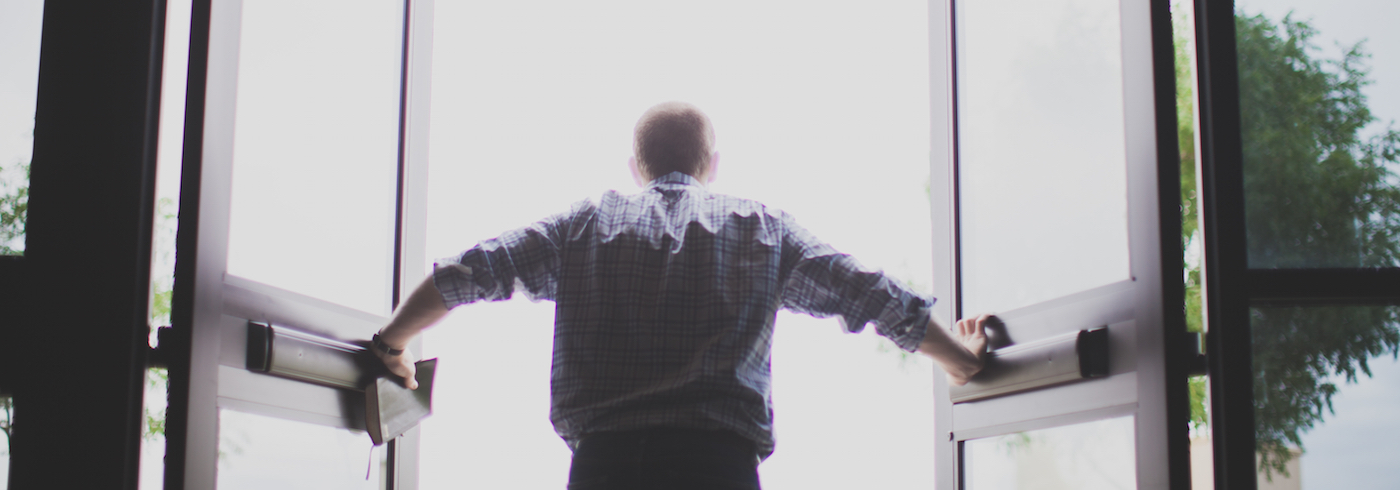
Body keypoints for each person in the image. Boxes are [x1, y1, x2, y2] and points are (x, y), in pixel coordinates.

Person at [370, 101, 990, 490]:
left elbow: (467, 272)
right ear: (711, 164)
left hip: (603, 469)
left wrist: (392, 343)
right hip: (717, 470)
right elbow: (869, 293)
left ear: (635, 166)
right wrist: (960, 361)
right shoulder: (763, 230)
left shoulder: (582, 227)